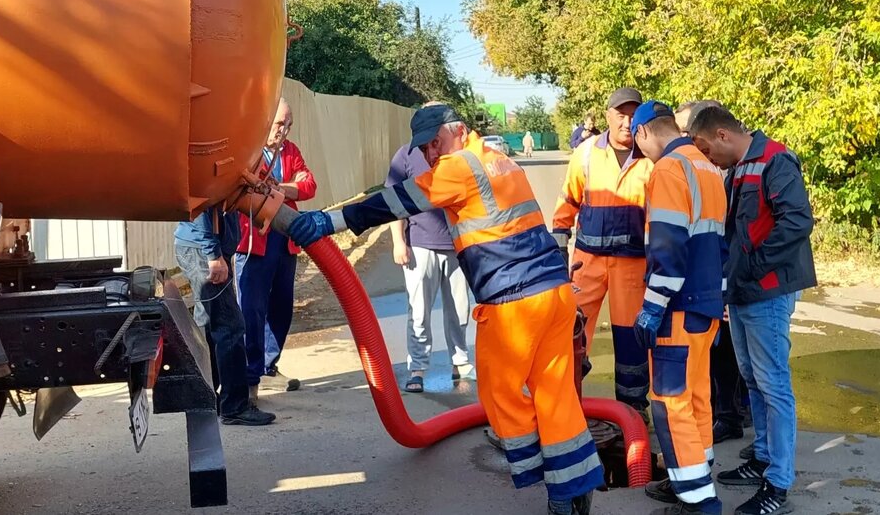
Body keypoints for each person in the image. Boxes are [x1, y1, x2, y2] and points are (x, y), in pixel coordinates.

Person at [288, 105, 602, 515]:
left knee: (499, 393)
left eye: (433, 144)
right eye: (424, 149)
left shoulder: (459, 166)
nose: (430, 154)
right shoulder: (498, 159)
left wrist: (328, 222)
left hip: (515, 301)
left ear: (452, 133)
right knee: (554, 393)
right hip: (554, 294)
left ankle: (537, 465)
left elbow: (398, 201)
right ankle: (571, 488)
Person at [688, 107, 817, 515]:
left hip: (767, 292)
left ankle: (778, 482)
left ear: (722, 135)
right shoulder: (740, 168)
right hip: (744, 291)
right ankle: (762, 457)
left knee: (773, 384)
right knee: (753, 380)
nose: (708, 159)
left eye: (706, 150)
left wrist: (753, 268)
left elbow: (797, 222)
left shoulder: (774, 160)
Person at [629, 101, 727, 514]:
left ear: (643, 132)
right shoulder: (707, 167)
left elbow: (668, 249)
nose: (642, 154)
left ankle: (698, 500)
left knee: (671, 402)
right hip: (705, 304)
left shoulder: (669, 169)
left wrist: (652, 307)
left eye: (638, 145)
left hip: (679, 308)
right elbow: (718, 244)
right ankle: (694, 477)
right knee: (698, 398)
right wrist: (719, 300)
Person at [553, 87, 653, 416]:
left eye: (633, 115)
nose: (627, 122)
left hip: (633, 266)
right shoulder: (586, 153)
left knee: (631, 338)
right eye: (621, 115)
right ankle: (564, 403)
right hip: (588, 263)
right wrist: (559, 249)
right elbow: (567, 202)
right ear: (608, 115)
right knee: (570, 331)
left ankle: (633, 410)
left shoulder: (650, 156)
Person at [677, 101, 753, 449]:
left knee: (730, 352)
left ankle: (732, 414)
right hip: (720, 272)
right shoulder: (706, 165)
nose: (685, 138)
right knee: (723, 350)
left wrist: (725, 285)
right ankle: (730, 412)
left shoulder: (725, 166)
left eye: (688, 131)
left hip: (733, 273)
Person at [385, 105, 472, 393]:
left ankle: (460, 363)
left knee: (459, 310)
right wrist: (399, 241)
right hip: (421, 245)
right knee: (419, 311)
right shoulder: (406, 155)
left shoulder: (458, 156)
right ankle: (418, 368)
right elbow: (394, 200)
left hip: (458, 246)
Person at [235, 98, 317, 397]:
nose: (284, 131)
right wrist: (289, 187)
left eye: (289, 125)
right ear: (265, 121)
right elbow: (252, 188)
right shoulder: (248, 151)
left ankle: (269, 366)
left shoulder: (290, 150)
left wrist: (279, 189)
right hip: (255, 240)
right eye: (280, 124)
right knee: (252, 309)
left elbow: (309, 185)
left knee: (281, 305)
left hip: (284, 239)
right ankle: (250, 373)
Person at [174, 205, 276, 427]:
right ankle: (234, 407)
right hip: (203, 249)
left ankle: (207, 398)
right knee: (230, 326)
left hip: (203, 247)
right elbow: (198, 206)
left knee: (208, 325)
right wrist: (213, 254)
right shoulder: (205, 178)